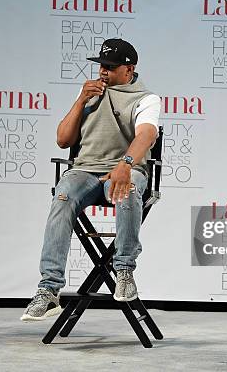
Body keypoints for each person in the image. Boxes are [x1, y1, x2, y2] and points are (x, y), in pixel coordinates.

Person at [21, 38, 161, 321]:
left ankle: (123, 271)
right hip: (85, 170)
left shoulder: (146, 98)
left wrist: (126, 163)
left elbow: (146, 135)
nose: (103, 72)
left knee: (128, 186)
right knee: (62, 197)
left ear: (128, 69)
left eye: (110, 67)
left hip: (123, 170)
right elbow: (63, 140)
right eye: (101, 66)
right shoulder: (92, 93)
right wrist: (80, 100)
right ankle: (49, 290)